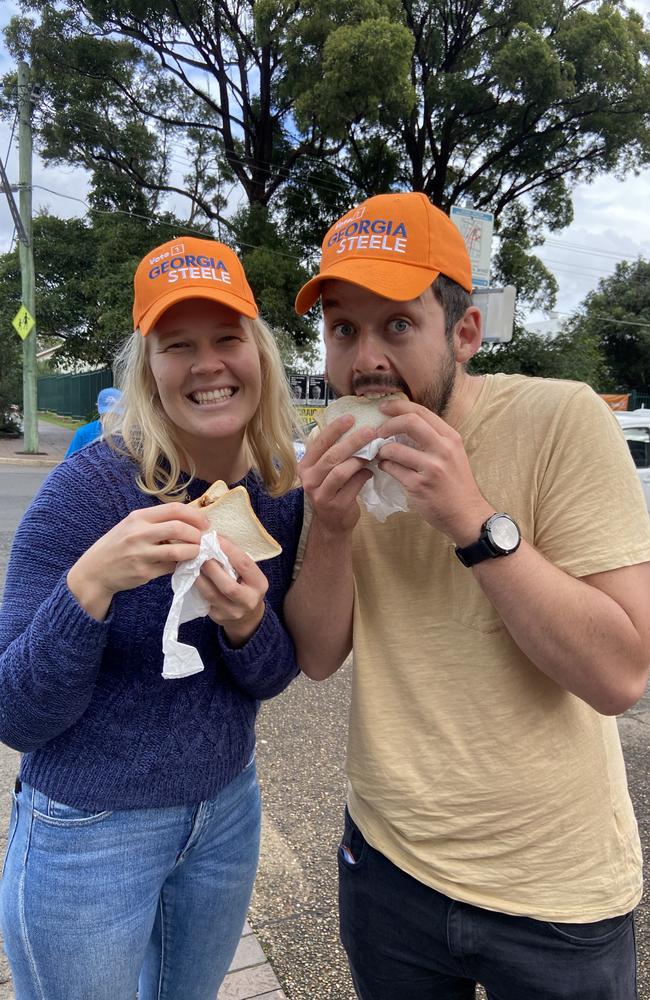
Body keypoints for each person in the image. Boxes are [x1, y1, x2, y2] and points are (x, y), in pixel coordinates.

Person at [285, 191, 650, 1000]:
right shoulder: (340, 461)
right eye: (344, 328)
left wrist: (471, 519)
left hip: (558, 892)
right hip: (387, 868)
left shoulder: (563, 421)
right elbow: (316, 658)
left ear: (465, 333)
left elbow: (620, 675)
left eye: (398, 325)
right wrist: (333, 527)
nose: (366, 359)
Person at [0, 235, 303, 1000]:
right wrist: (90, 586)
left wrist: (246, 624)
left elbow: (270, 677)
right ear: (148, 368)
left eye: (227, 337)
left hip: (227, 814)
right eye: (178, 345)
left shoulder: (277, 493)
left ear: (258, 352)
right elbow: (16, 715)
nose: (208, 364)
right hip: (89, 829)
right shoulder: (87, 492)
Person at [64, 386, 123, 457]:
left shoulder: (84, 432)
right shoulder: (83, 433)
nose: (110, 416)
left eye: (114, 413)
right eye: (106, 413)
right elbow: (69, 462)